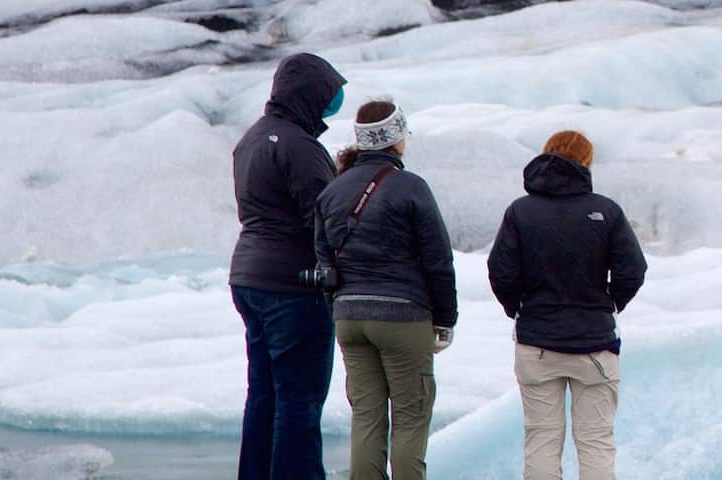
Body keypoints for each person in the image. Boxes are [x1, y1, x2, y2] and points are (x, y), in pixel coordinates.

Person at [487, 131, 646, 480]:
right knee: (595, 441)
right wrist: (610, 303)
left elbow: (501, 271)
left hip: (537, 342)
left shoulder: (520, 212)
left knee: (542, 438)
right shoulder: (605, 210)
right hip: (595, 343)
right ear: (586, 163)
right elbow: (633, 270)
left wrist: (518, 308)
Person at [315, 98, 459, 480]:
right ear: (396, 138)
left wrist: (338, 304)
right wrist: (444, 319)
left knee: (367, 418)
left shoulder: (333, 190)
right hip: (402, 315)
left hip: (349, 316)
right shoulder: (410, 187)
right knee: (411, 417)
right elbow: (438, 260)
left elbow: (323, 257)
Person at [229, 52, 345, 480]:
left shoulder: (252, 139)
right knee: (300, 396)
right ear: (309, 95)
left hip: (248, 276)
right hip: (293, 286)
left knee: (264, 393)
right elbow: (324, 218)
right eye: (329, 94)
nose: (333, 103)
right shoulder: (299, 146)